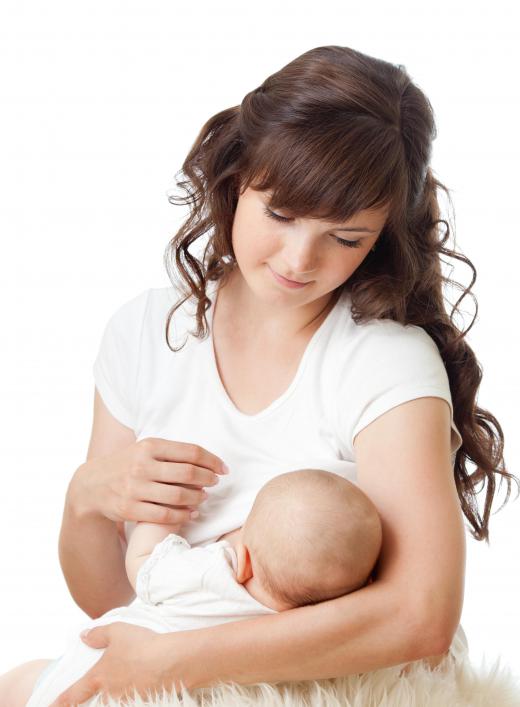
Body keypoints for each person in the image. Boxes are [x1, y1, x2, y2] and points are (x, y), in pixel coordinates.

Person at [3, 44, 518, 706]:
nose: (300, 259)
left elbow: (422, 615)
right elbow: (117, 603)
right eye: (280, 214)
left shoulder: (382, 360)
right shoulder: (144, 334)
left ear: (385, 233)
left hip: (338, 682)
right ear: (236, 175)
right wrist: (86, 496)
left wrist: (172, 664)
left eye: (347, 238)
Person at [12, 469, 382, 706]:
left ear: (246, 560)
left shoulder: (211, 572)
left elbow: (142, 565)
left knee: (20, 681)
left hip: (95, 680)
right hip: (157, 692)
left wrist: (167, 515)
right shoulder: (313, 639)